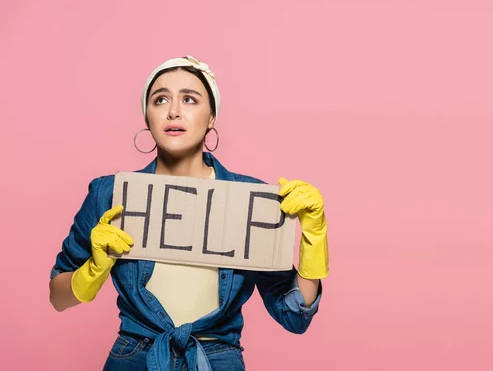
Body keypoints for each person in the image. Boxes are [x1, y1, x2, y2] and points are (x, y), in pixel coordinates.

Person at [49, 55, 329, 370]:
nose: (173, 111)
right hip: (134, 358)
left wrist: (314, 239)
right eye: (160, 99)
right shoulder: (110, 194)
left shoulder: (250, 200)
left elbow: (294, 315)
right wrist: (91, 271)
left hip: (217, 359)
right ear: (147, 115)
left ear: (212, 117)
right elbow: (58, 297)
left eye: (189, 99)